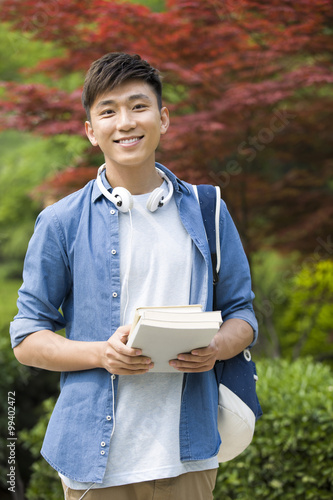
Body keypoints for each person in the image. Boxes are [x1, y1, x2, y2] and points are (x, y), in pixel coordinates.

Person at [10, 53, 258, 500]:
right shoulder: (60, 221)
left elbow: (242, 312)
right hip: (96, 461)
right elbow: (27, 338)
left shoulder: (209, 210)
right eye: (108, 111)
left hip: (190, 456)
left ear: (163, 119)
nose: (125, 122)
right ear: (90, 131)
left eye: (138, 106)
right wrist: (102, 354)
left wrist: (217, 346)